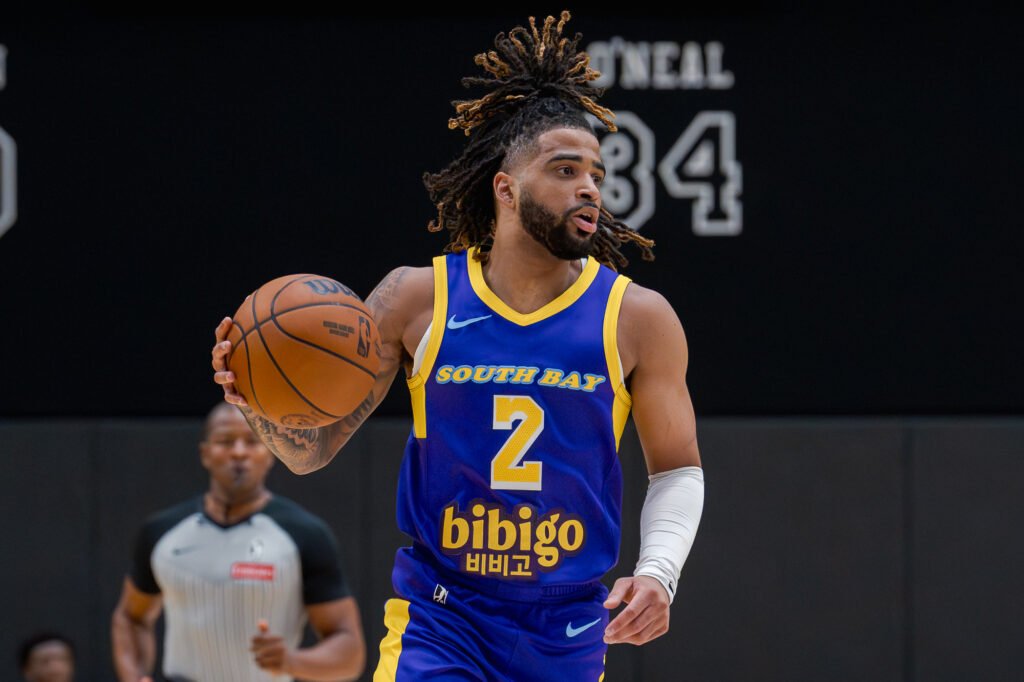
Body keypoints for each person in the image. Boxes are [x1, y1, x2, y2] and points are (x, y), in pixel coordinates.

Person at [213, 11, 703, 680]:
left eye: (595, 171)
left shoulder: (637, 318)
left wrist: (659, 572)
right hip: (442, 619)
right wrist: (255, 399)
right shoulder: (416, 299)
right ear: (506, 188)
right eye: (564, 169)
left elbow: (676, 469)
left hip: (567, 625)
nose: (588, 186)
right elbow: (310, 451)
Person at [110, 402, 366, 682]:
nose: (239, 452)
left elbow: (350, 654)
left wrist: (291, 661)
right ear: (205, 453)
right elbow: (130, 618)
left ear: (271, 452)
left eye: (253, 441)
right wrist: (134, 677)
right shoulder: (162, 532)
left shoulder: (305, 534)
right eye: (225, 441)